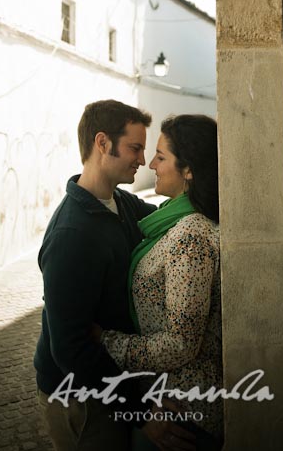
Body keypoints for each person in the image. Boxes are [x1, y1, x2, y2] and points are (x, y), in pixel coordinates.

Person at [34, 99, 196, 451]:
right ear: (103, 143)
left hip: (110, 386)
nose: (142, 160)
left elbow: (167, 218)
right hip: (80, 397)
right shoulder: (72, 236)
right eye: (135, 148)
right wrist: (140, 411)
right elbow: (70, 348)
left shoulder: (119, 203)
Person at [99, 114, 223, 451]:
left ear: (190, 170)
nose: (150, 163)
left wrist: (106, 340)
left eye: (161, 157)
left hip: (182, 417)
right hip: (169, 404)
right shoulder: (174, 218)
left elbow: (180, 343)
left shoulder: (191, 237)